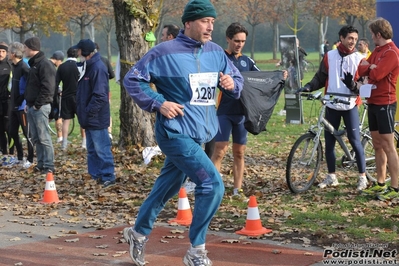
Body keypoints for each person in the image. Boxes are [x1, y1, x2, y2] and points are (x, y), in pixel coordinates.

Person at [122, 0, 244, 265]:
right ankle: (196, 251)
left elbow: (237, 80)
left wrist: (231, 83)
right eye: (204, 21)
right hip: (174, 133)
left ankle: (138, 233)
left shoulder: (215, 52)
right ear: (188, 23)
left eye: (212, 21)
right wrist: (158, 103)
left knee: (166, 187)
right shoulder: (163, 52)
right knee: (212, 184)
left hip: (199, 133)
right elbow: (132, 79)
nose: (210, 27)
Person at [296, 25, 367, 191]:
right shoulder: (329, 56)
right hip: (332, 104)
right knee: (329, 143)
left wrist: (352, 84)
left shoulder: (360, 59)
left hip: (350, 105)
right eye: (350, 38)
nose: (353, 42)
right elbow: (320, 78)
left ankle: (362, 176)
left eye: (356, 39)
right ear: (341, 38)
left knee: (355, 142)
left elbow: (363, 86)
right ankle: (332, 176)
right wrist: (308, 87)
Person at [211, 22, 259, 201]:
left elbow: (260, 78)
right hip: (224, 111)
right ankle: (215, 190)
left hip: (242, 114)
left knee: (239, 152)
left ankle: (237, 191)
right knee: (220, 151)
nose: (239, 44)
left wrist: (279, 75)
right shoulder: (220, 58)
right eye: (236, 40)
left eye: (243, 41)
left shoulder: (247, 61)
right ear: (228, 39)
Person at [358, 18, 399, 200]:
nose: (371, 38)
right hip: (373, 102)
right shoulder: (377, 51)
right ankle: (380, 183)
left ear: (378, 35)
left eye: (372, 35)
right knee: (377, 145)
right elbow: (361, 68)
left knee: (388, 145)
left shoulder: (392, 52)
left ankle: (395, 186)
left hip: (386, 103)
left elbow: (377, 73)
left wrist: (371, 68)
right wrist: (369, 66)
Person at [73, 39, 116, 188]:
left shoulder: (97, 68)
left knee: (102, 149)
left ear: (85, 52)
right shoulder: (88, 66)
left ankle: (108, 176)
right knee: (92, 150)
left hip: (96, 117)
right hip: (89, 117)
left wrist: (89, 112)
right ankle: (96, 175)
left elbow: (100, 95)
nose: (77, 53)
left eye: (79, 51)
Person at [24, 36, 56, 174]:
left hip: (40, 107)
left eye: (25, 47)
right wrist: (29, 103)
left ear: (31, 48)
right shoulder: (34, 64)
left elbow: (48, 88)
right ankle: (41, 163)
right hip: (32, 106)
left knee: (44, 137)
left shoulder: (44, 64)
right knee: (36, 137)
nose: (24, 50)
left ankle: (49, 165)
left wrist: (37, 104)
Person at [8, 42, 33, 168]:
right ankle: (19, 157)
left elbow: (31, 83)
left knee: (27, 133)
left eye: (8, 52)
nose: (7, 54)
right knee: (12, 131)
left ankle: (30, 159)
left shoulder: (24, 66)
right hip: (13, 105)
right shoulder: (14, 66)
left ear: (13, 54)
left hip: (22, 106)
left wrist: (23, 98)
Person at [55, 47, 80, 151]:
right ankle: (84, 143)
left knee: (66, 120)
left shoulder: (62, 67)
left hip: (65, 96)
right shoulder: (79, 66)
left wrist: (59, 91)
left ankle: (64, 143)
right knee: (82, 120)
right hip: (78, 96)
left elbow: (56, 83)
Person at [94, 42, 115, 140]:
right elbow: (112, 75)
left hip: (93, 91)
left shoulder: (89, 62)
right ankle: (109, 131)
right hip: (106, 90)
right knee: (107, 111)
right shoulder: (105, 60)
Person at [49, 50, 65, 144]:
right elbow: (54, 82)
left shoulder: (46, 64)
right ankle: (60, 137)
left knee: (49, 116)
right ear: (57, 60)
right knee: (58, 116)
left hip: (47, 95)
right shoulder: (52, 68)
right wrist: (59, 91)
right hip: (54, 95)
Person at [0, 42, 12, 162]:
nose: (1, 54)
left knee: (9, 128)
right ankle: (3, 151)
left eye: (3, 51)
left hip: (8, 101)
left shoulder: (10, 66)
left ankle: (12, 152)